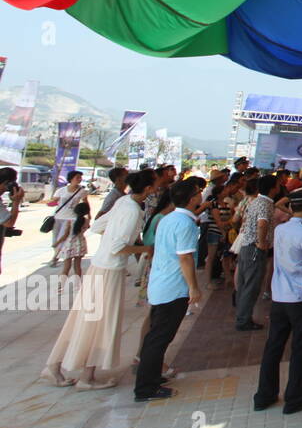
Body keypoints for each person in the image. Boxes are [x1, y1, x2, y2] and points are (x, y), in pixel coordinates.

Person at [43, 170, 152, 389]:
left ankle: (55, 367)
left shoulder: (123, 202)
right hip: (110, 270)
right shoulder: (131, 210)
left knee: (84, 319)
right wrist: (147, 248)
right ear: (148, 188)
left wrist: (114, 236)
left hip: (99, 266)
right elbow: (118, 247)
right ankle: (86, 377)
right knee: (101, 323)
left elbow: (98, 227)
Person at [253, 187, 302, 415]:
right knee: (301, 348)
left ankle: (264, 394)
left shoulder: (281, 229)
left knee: (273, 346)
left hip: (279, 296)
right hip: (301, 297)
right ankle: (295, 397)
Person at [134, 180, 204, 402]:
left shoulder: (169, 219)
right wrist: (193, 287)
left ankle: (152, 377)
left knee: (158, 336)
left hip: (162, 283)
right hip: (173, 287)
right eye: (198, 193)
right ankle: (146, 388)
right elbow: (185, 258)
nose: (200, 195)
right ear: (192, 198)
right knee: (159, 338)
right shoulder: (184, 223)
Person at [232, 174, 275, 331]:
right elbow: (262, 224)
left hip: (247, 246)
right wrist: (262, 242)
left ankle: (242, 316)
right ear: (273, 188)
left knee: (245, 284)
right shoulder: (264, 203)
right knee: (251, 285)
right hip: (254, 249)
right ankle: (243, 320)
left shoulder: (257, 201)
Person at [48, 170, 89, 267]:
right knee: (56, 238)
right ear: (71, 178)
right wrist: (51, 202)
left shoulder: (82, 191)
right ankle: (57, 254)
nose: (79, 179)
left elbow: (85, 203)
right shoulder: (61, 190)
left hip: (71, 218)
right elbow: (54, 200)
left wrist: (88, 215)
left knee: (64, 238)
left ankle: (55, 257)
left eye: (80, 177)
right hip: (58, 217)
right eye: (77, 177)